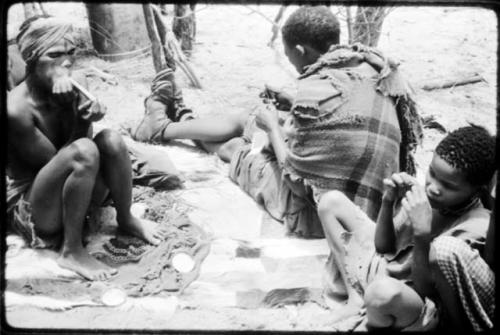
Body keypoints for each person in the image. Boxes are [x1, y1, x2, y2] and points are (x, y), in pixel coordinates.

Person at [7, 16, 167, 281]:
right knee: (84, 149)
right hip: (36, 205)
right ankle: (71, 250)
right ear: (33, 59)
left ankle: (125, 217)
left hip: (73, 186)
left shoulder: (77, 83)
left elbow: (89, 151)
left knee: (112, 140)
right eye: (55, 55)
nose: (66, 63)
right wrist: (78, 117)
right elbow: (57, 161)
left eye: (71, 53)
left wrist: (86, 115)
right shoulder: (16, 110)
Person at [316, 125, 495, 330]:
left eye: (449, 186)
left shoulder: (476, 226)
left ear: (476, 190)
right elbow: (383, 247)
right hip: (387, 268)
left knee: (381, 294)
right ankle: (355, 297)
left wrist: (422, 233)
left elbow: (426, 289)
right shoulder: (425, 197)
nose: (433, 188)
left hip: (412, 297)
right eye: (432, 173)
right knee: (331, 202)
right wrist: (388, 201)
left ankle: (372, 317)